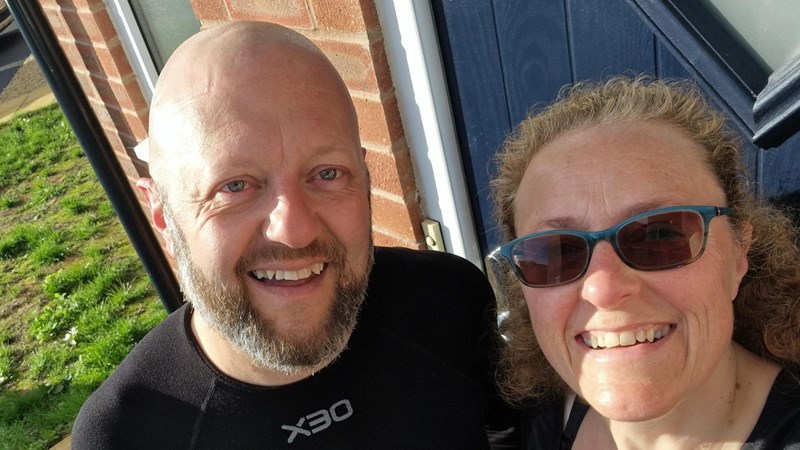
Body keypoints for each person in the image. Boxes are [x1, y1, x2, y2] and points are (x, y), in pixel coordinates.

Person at [72, 20, 517, 449]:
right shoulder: (124, 433)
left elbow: (511, 433)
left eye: (327, 173)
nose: (294, 230)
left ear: (364, 178)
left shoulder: (448, 298)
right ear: (162, 215)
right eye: (235, 186)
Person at [488, 76, 800, 449]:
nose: (603, 289)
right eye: (558, 252)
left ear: (738, 253)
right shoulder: (534, 414)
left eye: (660, 236)